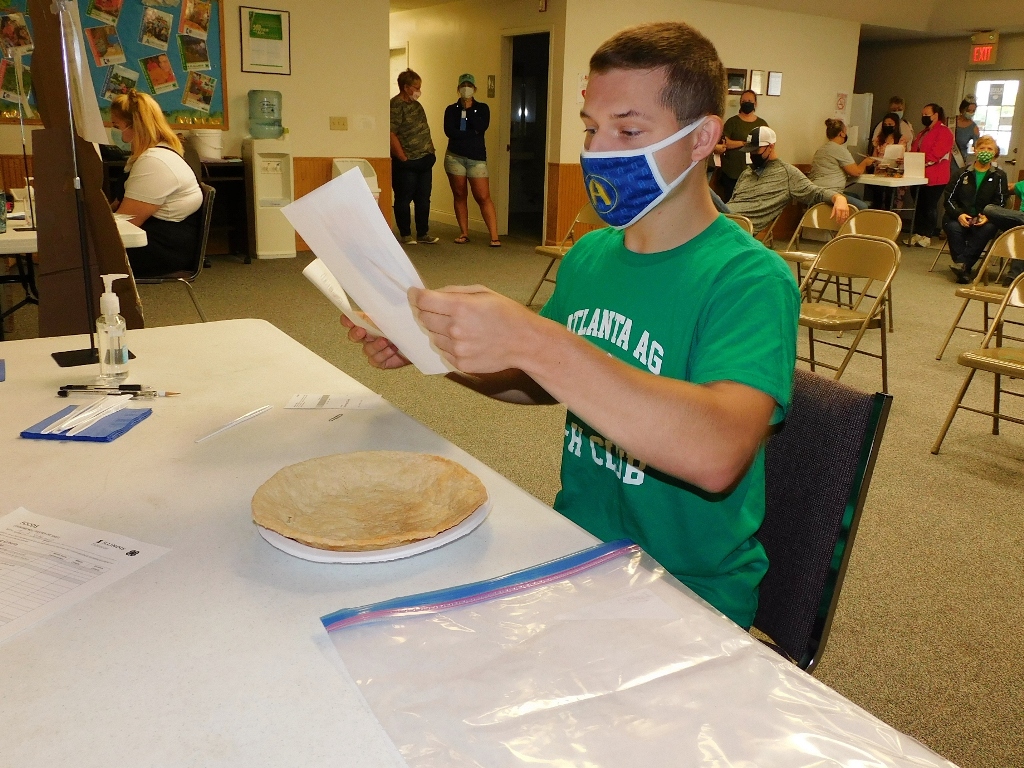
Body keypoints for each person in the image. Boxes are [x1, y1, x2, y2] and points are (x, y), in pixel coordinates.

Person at [344, 21, 799, 629]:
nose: (599, 151)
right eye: (590, 128)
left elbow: (715, 453)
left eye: (628, 130)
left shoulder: (749, 279)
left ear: (701, 139)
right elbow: (538, 381)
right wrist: (431, 345)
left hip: (687, 596)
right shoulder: (590, 256)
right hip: (578, 552)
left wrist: (532, 338)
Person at [109, 90, 203, 279]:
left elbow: (127, 222)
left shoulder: (155, 162)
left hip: (162, 251)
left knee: (81, 255)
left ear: (135, 126)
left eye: (117, 126)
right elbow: (118, 204)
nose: (115, 132)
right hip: (159, 241)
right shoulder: (147, 156)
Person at [726, 125, 850, 234]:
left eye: (755, 150)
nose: (752, 154)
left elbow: (816, 192)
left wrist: (838, 197)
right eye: (750, 151)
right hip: (724, 218)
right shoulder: (747, 173)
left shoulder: (787, 174)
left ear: (771, 147)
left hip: (737, 229)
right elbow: (733, 202)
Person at [443, 74, 500, 247]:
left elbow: (481, 127)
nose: (466, 89)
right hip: (455, 157)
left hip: (476, 158)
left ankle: (494, 236)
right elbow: (450, 132)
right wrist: (471, 133)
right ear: (458, 88)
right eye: (463, 85)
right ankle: (464, 233)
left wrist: (469, 110)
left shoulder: (482, 108)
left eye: (469, 86)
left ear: (474, 89)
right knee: (460, 194)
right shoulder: (451, 109)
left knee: (483, 196)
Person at [943, 135, 1008, 283]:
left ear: (995, 153)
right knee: (953, 227)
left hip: (985, 218)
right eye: (982, 148)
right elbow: (949, 199)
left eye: (989, 149)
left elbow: (1001, 201)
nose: (985, 151)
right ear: (976, 150)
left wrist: (987, 216)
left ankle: (962, 266)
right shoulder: (961, 173)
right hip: (959, 216)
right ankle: (964, 268)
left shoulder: (999, 176)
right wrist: (959, 214)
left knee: (987, 229)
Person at [390, 69, 439, 245]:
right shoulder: (395, 106)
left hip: (425, 159)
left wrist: (431, 149)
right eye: (416, 87)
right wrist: (402, 157)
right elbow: (391, 133)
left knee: (423, 199)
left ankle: (423, 233)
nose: (419, 91)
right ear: (406, 87)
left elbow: (424, 128)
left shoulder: (417, 106)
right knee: (404, 198)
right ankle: (406, 234)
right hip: (407, 162)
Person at [908, 103, 954, 248]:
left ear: (936, 115)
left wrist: (919, 161)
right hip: (918, 175)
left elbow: (936, 153)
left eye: (926, 114)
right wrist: (908, 159)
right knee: (919, 205)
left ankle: (927, 234)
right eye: (922, 114)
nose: (924, 117)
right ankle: (918, 233)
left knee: (929, 206)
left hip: (935, 176)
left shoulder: (944, 132)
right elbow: (915, 150)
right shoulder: (923, 132)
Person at [809, 118, 876, 210]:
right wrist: (865, 162)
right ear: (842, 133)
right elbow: (856, 172)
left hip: (816, 192)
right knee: (863, 207)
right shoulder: (839, 150)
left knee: (855, 196)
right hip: (831, 192)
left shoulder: (821, 150)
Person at [713, 89, 766, 202]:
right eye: (744, 101)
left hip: (753, 173)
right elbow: (725, 143)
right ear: (740, 103)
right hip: (732, 172)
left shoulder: (761, 124)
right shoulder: (732, 122)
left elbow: (766, 146)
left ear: (755, 103)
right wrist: (744, 143)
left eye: (749, 101)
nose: (746, 103)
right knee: (731, 202)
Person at [951, 96, 980, 175]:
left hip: (959, 162)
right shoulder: (950, 122)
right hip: (945, 159)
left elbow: (977, 148)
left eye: (973, 111)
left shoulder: (974, 128)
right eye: (968, 110)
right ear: (962, 109)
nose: (971, 113)